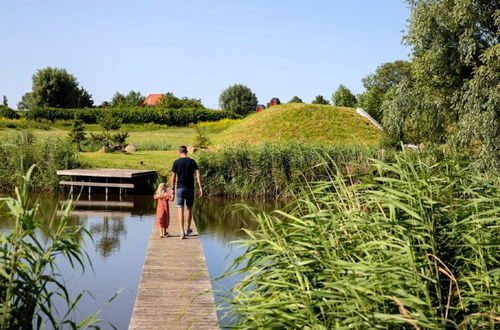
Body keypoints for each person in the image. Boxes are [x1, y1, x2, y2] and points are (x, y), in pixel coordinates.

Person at [170, 145, 203, 239]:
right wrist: (200, 188)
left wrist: (172, 190)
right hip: (190, 188)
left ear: (179, 152)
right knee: (189, 208)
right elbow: (198, 174)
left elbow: (173, 178)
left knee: (180, 209)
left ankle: (182, 232)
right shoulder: (192, 161)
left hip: (180, 188)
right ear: (186, 152)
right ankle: (188, 229)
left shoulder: (176, 162)